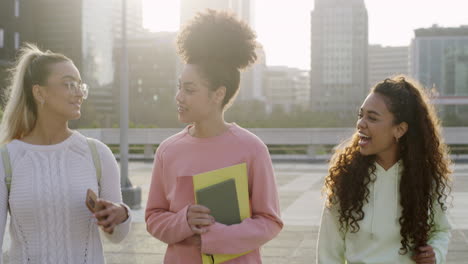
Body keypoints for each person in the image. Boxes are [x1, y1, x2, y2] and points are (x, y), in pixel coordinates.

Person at [145, 9, 283, 264]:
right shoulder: (168, 150)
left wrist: (216, 236)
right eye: (179, 88)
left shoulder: (251, 149)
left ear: (218, 94)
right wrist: (183, 220)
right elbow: (153, 217)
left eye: (189, 89)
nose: (179, 97)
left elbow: (270, 221)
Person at [0, 44, 131, 263]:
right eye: (69, 84)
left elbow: (118, 237)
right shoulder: (8, 159)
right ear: (39, 92)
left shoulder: (98, 154)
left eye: (80, 85)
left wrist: (121, 215)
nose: (79, 92)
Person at [317, 76, 452, 264]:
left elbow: (441, 229)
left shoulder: (425, 179)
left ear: (399, 129)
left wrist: (435, 254)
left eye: (372, 118)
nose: (360, 124)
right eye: (361, 115)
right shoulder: (346, 178)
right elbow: (328, 252)